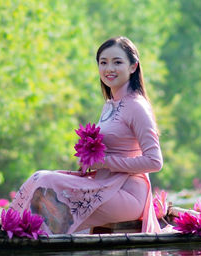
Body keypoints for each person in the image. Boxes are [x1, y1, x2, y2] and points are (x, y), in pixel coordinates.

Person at [10, 36, 163, 234]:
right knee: (40, 177)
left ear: (133, 67)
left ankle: (27, 234)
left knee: (49, 182)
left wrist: (106, 162)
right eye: (103, 62)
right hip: (103, 184)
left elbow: (154, 161)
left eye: (117, 62)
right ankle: (14, 228)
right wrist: (89, 160)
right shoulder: (110, 104)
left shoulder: (137, 106)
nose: (109, 69)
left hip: (127, 193)